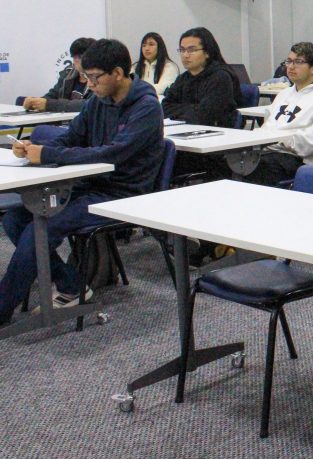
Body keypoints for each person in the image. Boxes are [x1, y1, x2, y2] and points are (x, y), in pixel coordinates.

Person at [0, 39, 164, 326]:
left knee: (42, 226)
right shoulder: (97, 102)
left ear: (117, 72)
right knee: (15, 218)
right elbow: (70, 137)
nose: (89, 84)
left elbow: (112, 153)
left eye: (95, 78)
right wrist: (29, 147)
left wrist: (48, 153)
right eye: (86, 77)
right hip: (89, 185)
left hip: (123, 193)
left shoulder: (146, 108)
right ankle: (72, 285)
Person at [241, 42, 313, 186]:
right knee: (224, 162)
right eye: (289, 61)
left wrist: (281, 140)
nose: (290, 66)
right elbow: (268, 127)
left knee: (252, 170)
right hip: (268, 151)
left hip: (299, 160)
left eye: (298, 62)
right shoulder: (284, 93)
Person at [162, 26, 244, 182]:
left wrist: (183, 110)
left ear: (207, 52)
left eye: (192, 50)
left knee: (159, 160)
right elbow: (165, 107)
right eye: (182, 50)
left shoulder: (221, 77)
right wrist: (191, 109)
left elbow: (203, 116)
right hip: (186, 139)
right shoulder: (184, 78)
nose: (185, 55)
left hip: (212, 148)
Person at [21, 37, 96, 112]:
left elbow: (88, 105)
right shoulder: (67, 73)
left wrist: (49, 105)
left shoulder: (98, 78)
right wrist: (35, 102)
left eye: (80, 57)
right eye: (74, 56)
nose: (76, 60)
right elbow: (53, 94)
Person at [133, 31, 179, 96]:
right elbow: (128, 87)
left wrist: (139, 90)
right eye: (144, 45)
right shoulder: (135, 67)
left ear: (159, 47)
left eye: (151, 44)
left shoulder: (169, 67)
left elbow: (163, 88)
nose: (147, 48)